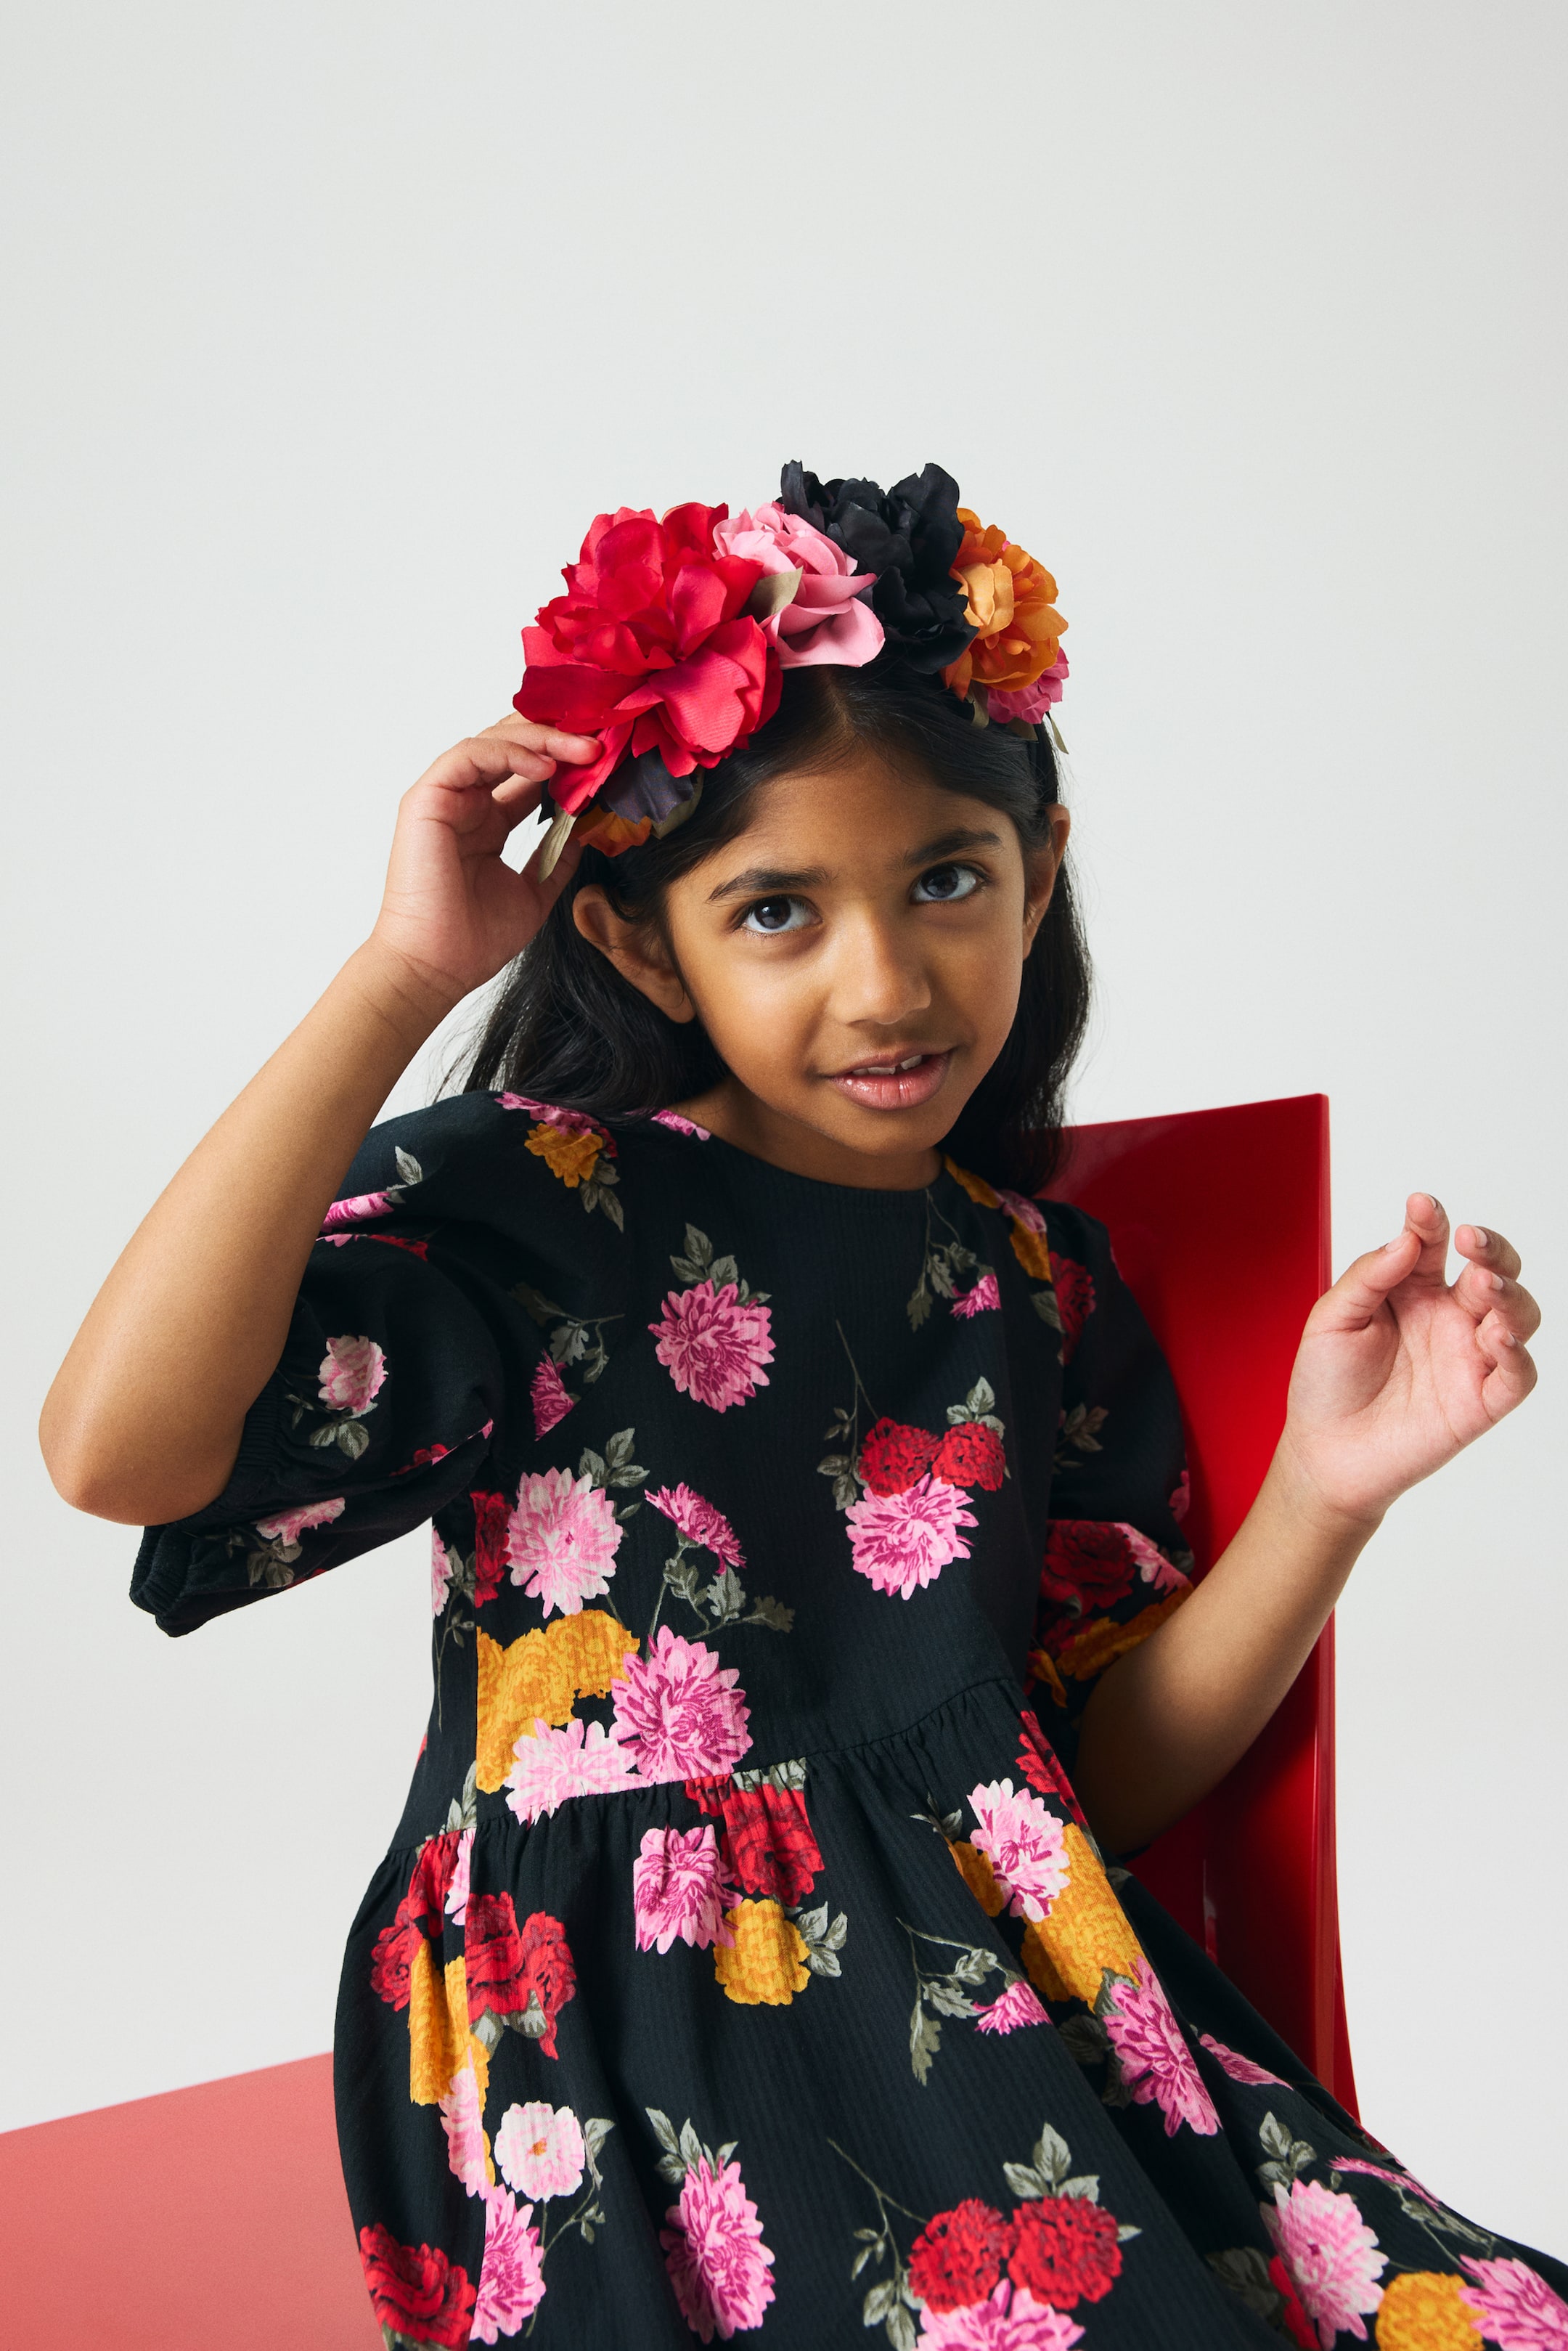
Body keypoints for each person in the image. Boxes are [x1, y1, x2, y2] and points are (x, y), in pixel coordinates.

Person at [41, 465, 1561, 2350]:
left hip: (1009, 2019)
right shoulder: (546, 1206)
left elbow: (1085, 1786)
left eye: (948, 880)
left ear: (1040, 869)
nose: (888, 981)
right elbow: (119, 1456)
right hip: (616, 2054)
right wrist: (402, 975)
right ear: (635, 940)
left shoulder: (1037, 1287)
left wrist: (1332, 1490)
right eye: (775, 910)